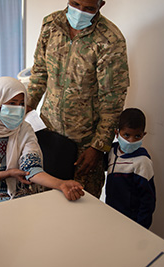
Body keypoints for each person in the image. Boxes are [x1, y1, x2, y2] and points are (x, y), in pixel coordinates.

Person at [26, 0, 130, 199]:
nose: (80, 11)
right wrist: (24, 108)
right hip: (49, 133)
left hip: (85, 144)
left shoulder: (110, 40)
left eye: (89, 8)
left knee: (81, 204)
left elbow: (113, 101)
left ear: (101, 4)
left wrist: (98, 147)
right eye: (75, 3)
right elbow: (39, 73)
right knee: (44, 200)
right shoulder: (51, 25)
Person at [0, 76, 85, 205]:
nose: (18, 109)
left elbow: (31, 168)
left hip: (20, 195)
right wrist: (7, 174)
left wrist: (61, 184)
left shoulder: (24, 129)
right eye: (12, 103)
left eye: (21, 104)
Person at [105, 108, 156, 229]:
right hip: (110, 213)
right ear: (117, 134)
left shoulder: (142, 162)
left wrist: (141, 227)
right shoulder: (112, 151)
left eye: (137, 136)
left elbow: (148, 200)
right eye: (126, 135)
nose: (131, 140)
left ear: (143, 135)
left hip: (131, 220)